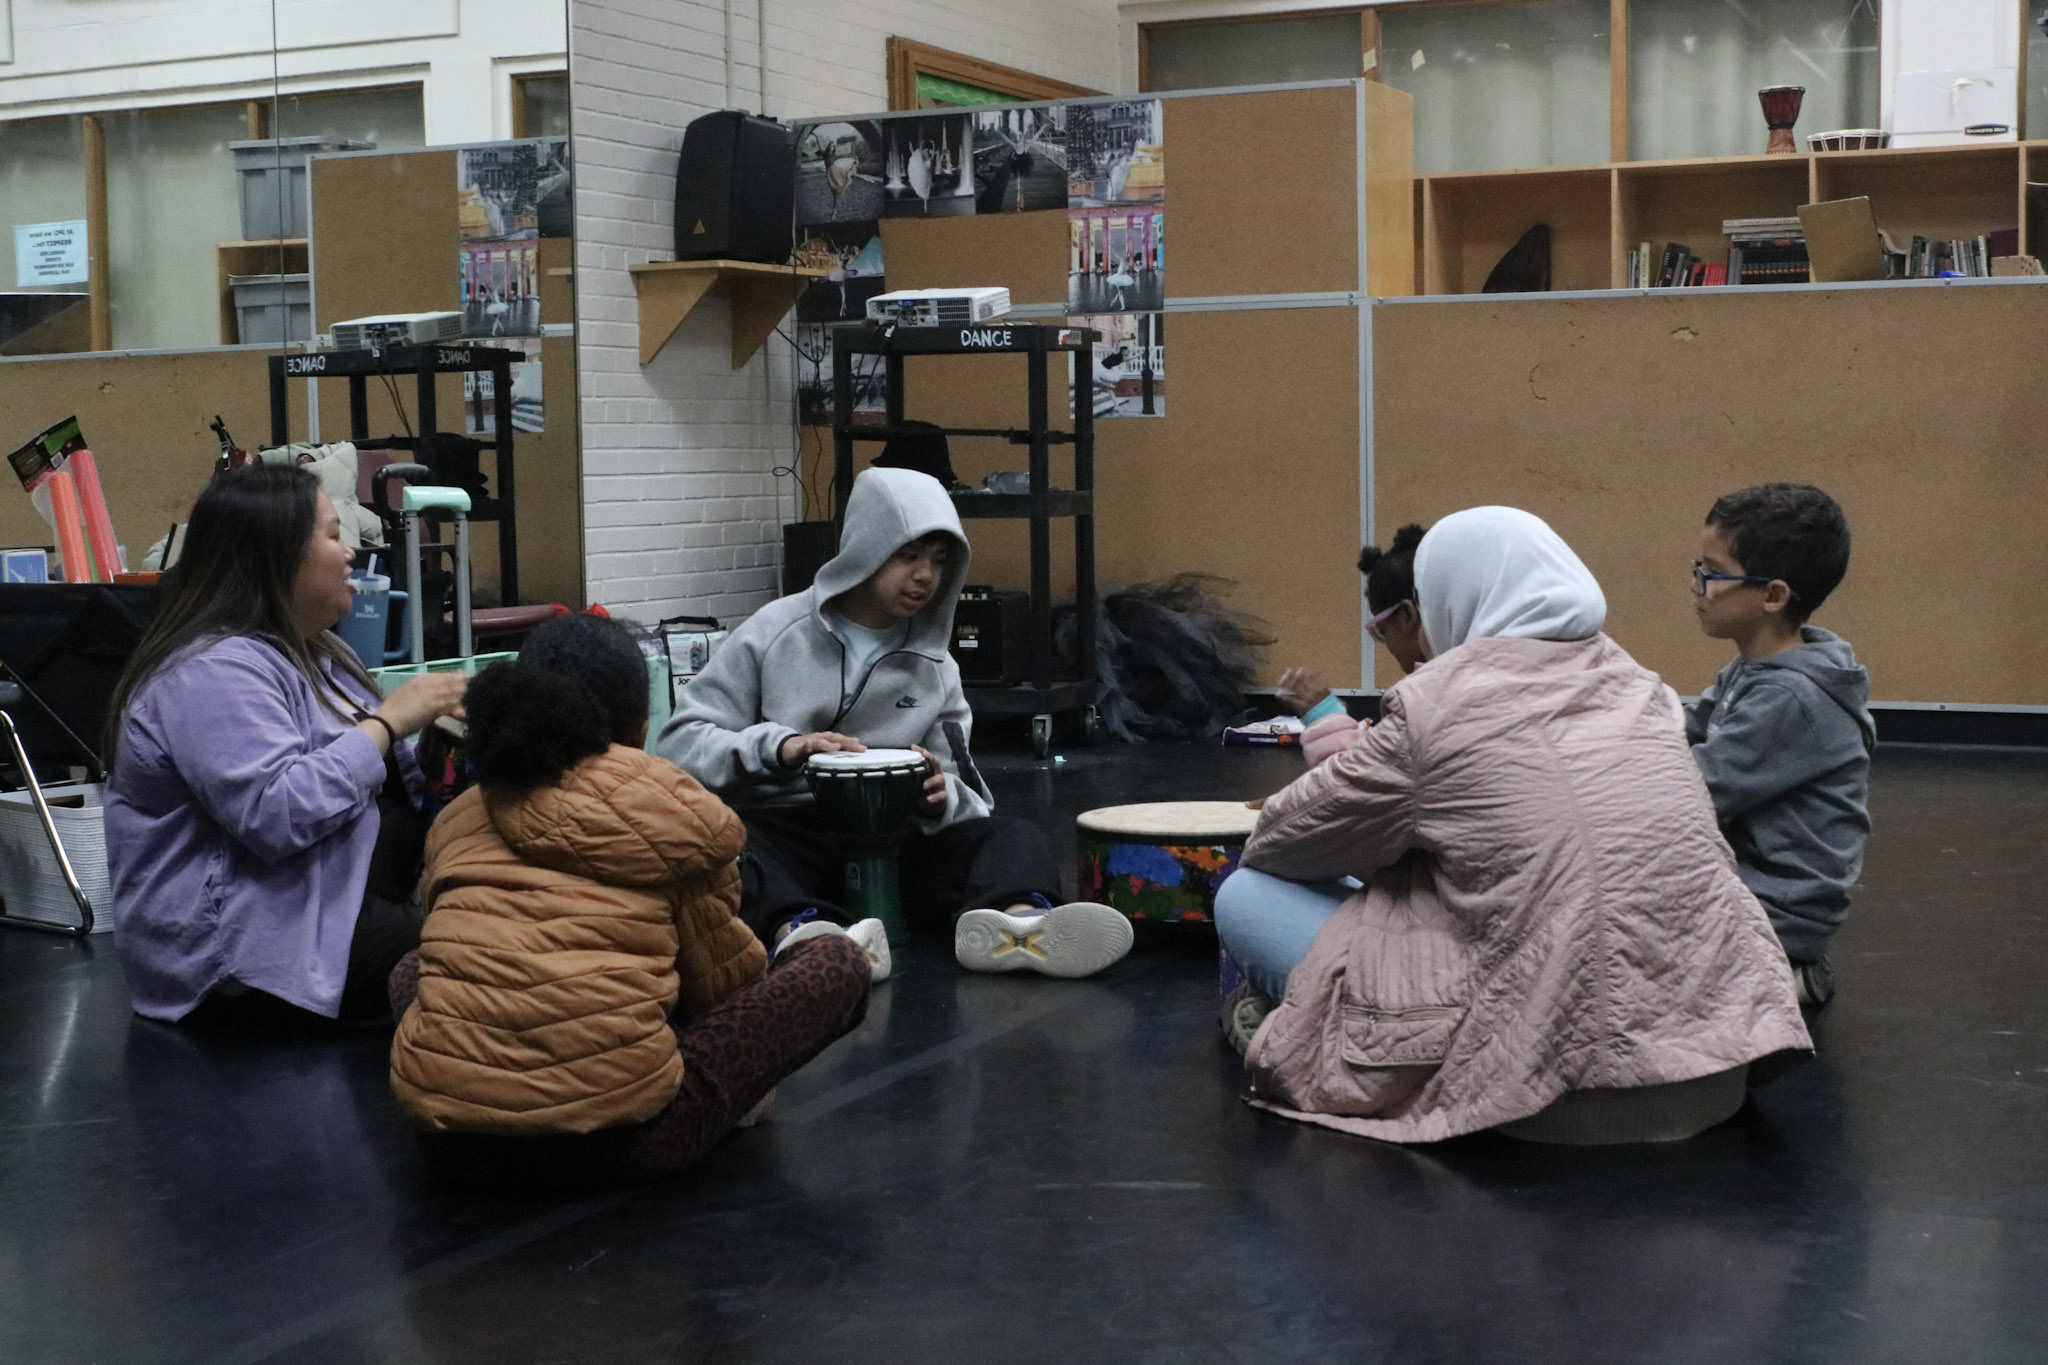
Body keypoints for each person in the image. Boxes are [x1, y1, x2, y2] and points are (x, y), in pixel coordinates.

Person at [1214, 507, 1809, 1144]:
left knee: (1246, 893)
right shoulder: (1646, 692)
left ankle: (1297, 1025)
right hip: (1717, 1072)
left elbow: (1284, 842)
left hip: (1546, 1103)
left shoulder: (1436, 704)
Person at [388, 615, 870, 1186]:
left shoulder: (458, 814)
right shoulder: (676, 815)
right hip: (625, 1142)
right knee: (839, 965)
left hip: (454, 1149)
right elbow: (723, 989)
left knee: (412, 968)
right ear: (642, 731)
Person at [658, 466, 1131, 979]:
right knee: (734, 845)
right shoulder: (772, 633)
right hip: (792, 836)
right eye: (908, 555)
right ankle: (802, 936)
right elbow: (679, 745)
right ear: (866, 547)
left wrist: (938, 794)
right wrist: (783, 747)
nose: (926, 575)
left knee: (1012, 835)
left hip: (898, 843)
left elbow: (971, 794)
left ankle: (1020, 926)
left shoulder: (937, 666)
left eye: (939, 560)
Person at [105, 464, 467, 1025]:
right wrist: (389, 722)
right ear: (275, 557)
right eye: (330, 535)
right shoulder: (211, 671)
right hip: (246, 955)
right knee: (486, 951)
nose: (350, 553)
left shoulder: (313, 652)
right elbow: (277, 812)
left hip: (331, 903)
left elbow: (380, 784)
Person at [1686, 483, 1873, 1008]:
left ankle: (1788, 974)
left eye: (1712, 573)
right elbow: (1688, 734)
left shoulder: (1791, 697)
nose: (1698, 585)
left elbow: (1693, 788)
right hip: (1744, 885)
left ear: (1772, 596)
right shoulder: (1754, 668)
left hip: (1775, 914)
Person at [1271, 523, 1430, 767]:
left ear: (1406, 616)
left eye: (1382, 631)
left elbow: (1365, 780)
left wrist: (1325, 716)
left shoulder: (1427, 699)